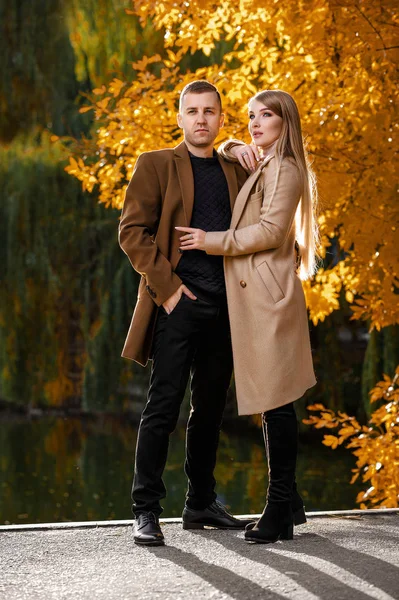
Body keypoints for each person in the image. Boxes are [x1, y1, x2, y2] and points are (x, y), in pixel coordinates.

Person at [176, 89, 318, 544]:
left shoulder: (288, 168)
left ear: (285, 122)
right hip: (255, 297)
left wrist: (208, 240)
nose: (255, 124)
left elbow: (272, 231)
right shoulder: (264, 161)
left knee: (276, 403)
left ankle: (279, 510)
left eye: (266, 117)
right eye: (251, 117)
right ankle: (290, 503)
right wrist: (235, 145)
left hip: (269, 298)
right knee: (269, 398)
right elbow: (223, 146)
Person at [118, 80, 251, 546]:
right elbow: (133, 232)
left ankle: (200, 504)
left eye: (210, 111)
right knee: (163, 405)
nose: (201, 119)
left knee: (211, 408)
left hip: (226, 306)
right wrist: (169, 290)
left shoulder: (235, 165)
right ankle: (146, 509)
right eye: (192, 111)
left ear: (220, 116)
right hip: (179, 302)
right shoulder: (155, 163)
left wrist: (240, 146)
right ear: (179, 117)